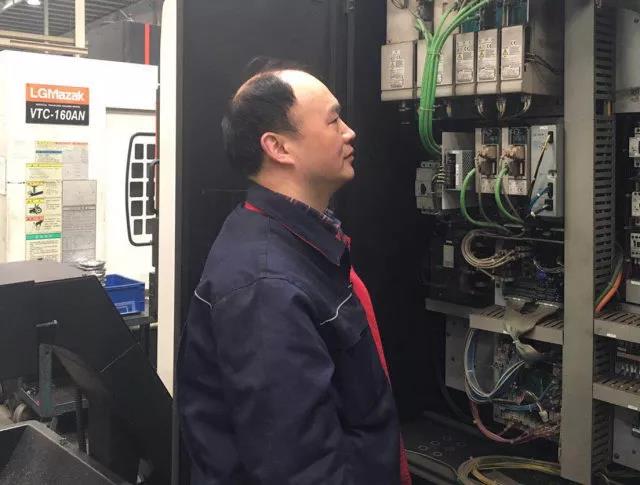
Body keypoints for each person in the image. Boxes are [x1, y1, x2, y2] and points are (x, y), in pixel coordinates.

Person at [177, 58, 411, 485]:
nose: (349, 132)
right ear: (279, 148)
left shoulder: (296, 243)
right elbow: (301, 470)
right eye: (334, 120)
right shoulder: (266, 287)